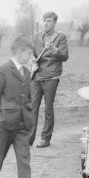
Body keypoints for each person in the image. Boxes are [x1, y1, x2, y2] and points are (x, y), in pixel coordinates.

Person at [0, 36, 49, 178]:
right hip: (4, 125)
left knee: (24, 159)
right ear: (20, 52)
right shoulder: (2, 70)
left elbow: (28, 97)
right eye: (29, 53)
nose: (31, 57)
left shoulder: (27, 73)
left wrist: (27, 114)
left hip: (22, 125)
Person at [29, 11, 69, 148]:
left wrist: (52, 48)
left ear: (54, 23)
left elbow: (64, 56)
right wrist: (32, 59)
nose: (46, 23)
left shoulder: (60, 37)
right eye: (44, 20)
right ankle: (29, 139)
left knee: (48, 109)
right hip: (37, 76)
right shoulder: (37, 37)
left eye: (49, 20)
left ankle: (45, 139)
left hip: (51, 77)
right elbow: (33, 53)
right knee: (32, 107)